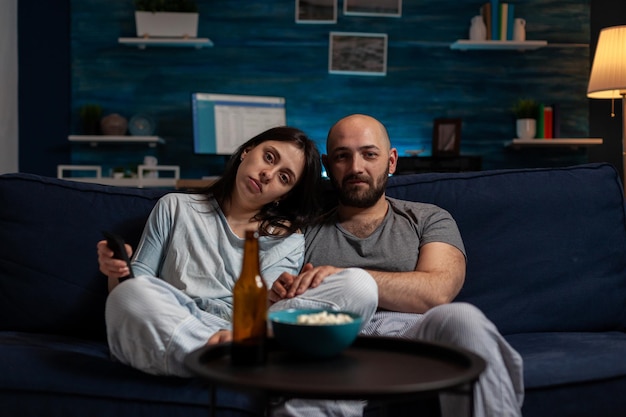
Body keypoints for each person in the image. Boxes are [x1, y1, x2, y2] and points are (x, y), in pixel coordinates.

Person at [269, 114, 524, 417]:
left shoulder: (429, 218)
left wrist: (347, 277)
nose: (356, 168)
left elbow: (437, 291)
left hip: (413, 335)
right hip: (337, 340)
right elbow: (286, 302)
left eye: (369, 154)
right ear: (327, 164)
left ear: (391, 161)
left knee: (463, 317)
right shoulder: (303, 230)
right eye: (342, 157)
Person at [97, 126, 378, 378]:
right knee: (129, 294)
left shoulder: (288, 239)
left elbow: (265, 315)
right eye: (269, 157)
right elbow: (134, 287)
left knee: (359, 285)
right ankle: (222, 359)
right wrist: (116, 271)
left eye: (284, 177)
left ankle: (218, 360)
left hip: (244, 334)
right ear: (247, 151)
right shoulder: (175, 207)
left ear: (283, 195)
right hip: (182, 322)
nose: (268, 175)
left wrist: (278, 293)